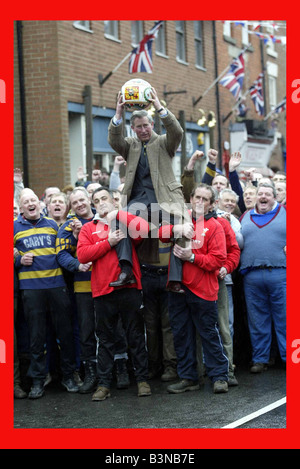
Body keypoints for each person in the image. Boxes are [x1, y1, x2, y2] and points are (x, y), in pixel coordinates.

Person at [108, 87, 193, 293]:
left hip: (165, 200)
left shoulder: (164, 143)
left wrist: (158, 106)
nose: (143, 129)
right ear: (133, 128)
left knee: (182, 225)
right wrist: (118, 114)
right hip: (138, 203)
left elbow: (177, 132)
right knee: (119, 220)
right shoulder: (130, 145)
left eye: (146, 125)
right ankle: (126, 270)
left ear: (152, 124)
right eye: (139, 127)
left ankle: (175, 279)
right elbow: (114, 141)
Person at [77, 188, 151, 401]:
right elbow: (82, 255)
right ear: (93, 205)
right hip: (103, 290)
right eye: (97, 201)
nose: (101, 203)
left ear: (113, 201)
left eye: (105, 199)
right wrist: (108, 242)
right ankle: (104, 384)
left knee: (136, 336)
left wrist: (118, 214)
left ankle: (143, 380)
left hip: (129, 288)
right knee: (106, 339)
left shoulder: (124, 221)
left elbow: (144, 229)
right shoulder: (88, 229)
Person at [159, 183, 229, 394]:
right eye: (196, 197)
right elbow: (160, 234)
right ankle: (189, 378)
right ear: (190, 198)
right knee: (181, 334)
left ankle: (220, 377)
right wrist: (175, 229)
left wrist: (191, 257)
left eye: (204, 199)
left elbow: (218, 260)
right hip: (178, 289)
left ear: (211, 204)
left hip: (203, 289)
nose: (199, 202)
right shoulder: (180, 218)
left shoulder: (215, 226)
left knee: (209, 334)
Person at [14, 191, 78, 399]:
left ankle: (68, 376)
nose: (30, 204)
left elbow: (66, 250)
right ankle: (38, 381)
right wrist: (18, 260)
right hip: (31, 290)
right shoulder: (13, 227)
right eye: (26, 202)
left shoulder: (53, 225)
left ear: (41, 204)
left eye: (33, 200)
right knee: (36, 337)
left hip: (56, 285)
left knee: (65, 333)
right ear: (21, 208)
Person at [239, 183, 286, 373]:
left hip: (281, 273)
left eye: (267, 194)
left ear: (275, 197)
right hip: (252, 276)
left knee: (286, 320)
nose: (263, 197)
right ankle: (260, 359)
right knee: (257, 321)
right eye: (260, 194)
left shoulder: (287, 213)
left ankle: (290, 358)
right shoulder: (245, 216)